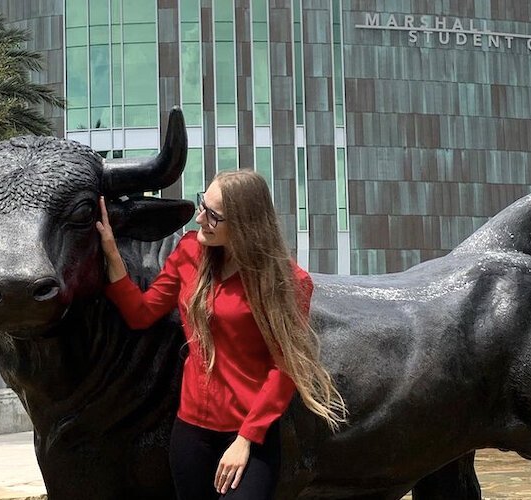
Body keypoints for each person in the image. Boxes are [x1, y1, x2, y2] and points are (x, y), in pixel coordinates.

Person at [96, 170, 345, 499]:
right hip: (190, 433)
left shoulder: (289, 281)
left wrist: (246, 439)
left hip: (250, 438)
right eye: (203, 205)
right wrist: (112, 254)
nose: (200, 218)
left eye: (213, 215)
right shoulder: (188, 253)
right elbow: (141, 314)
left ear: (245, 224)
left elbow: (286, 367)